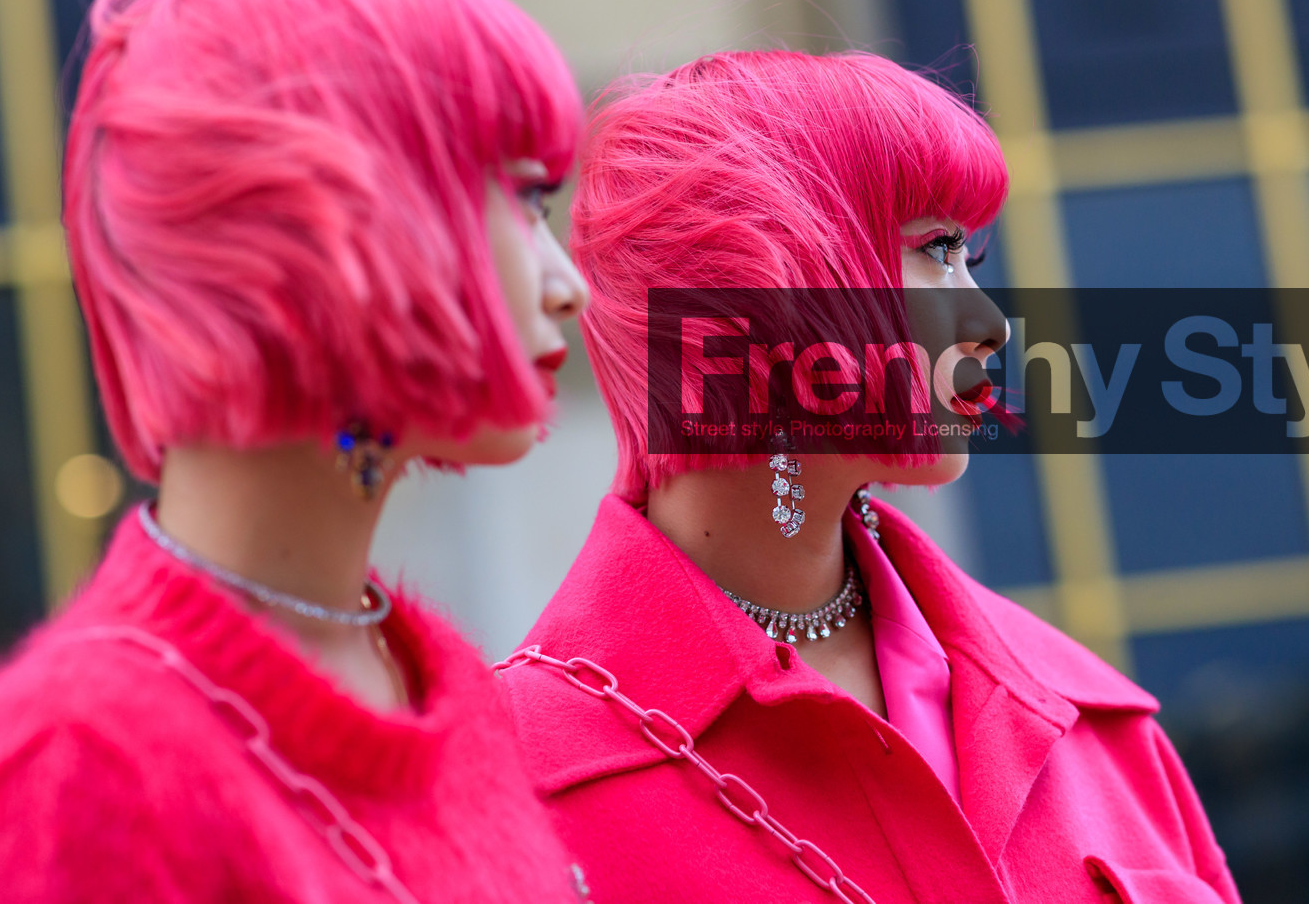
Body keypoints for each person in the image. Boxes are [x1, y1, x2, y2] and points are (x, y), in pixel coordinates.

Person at [0, 0, 591, 902]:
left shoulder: (440, 685)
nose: (570, 285)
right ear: (327, 224)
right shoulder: (80, 762)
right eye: (524, 200)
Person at [497, 50, 1242, 904]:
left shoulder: (1094, 726)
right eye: (935, 249)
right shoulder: (517, 778)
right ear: (760, 276)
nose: (989, 322)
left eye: (972, 261)